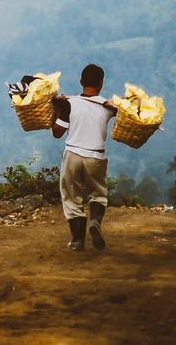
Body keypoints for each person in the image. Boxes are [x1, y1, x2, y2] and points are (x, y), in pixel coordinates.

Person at [51, 64, 117, 251]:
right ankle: (95, 222)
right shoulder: (107, 107)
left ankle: (77, 241)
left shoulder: (69, 103)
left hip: (73, 154)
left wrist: (57, 109)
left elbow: (57, 133)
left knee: (72, 197)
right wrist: (116, 105)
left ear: (81, 82)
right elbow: (129, 111)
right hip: (96, 156)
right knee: (98, 194)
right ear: (101, 83)